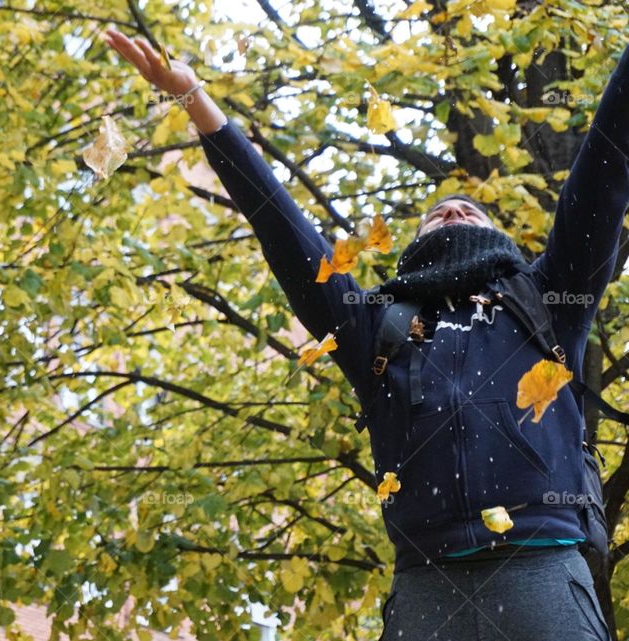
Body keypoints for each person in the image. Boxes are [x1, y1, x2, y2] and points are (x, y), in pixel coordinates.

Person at [103, 28, 629, 641]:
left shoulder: (547, 298)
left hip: (544, 571)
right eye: (440, 211)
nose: (454, 212)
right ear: (415, 242)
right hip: (426, 586)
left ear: (499, 236)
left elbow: (604, 168)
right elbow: (280, 224)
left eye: (469, 209)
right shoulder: (373, 323)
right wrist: (194, 97)